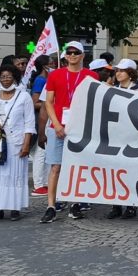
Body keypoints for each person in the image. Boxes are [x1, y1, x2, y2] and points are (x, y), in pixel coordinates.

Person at [40, 41, 99, 224]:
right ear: (65, 56)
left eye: (76, 52)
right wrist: (56, 125)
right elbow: (48, 102)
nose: (72, 55)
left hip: (79, 129)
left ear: (83, 55)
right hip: (57, 126)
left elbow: (95, 102)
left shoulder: (91, 76)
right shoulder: (55, 75)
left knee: (77, 168)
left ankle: (75, 203)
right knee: (55, 167)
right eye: (69, 52)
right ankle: (51, 205)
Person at [0, 64, 35, 221]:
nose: (6, 80)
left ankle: (14, 208)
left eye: (9, 76)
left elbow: (29, 123)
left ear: (15, 77)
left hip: (16, 143)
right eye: (3, 77)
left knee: (14, 175)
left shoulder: (24, 96)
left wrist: (26, 145)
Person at [106, 59, 138, 220]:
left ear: (130, 73)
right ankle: (116, 205)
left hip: (133, 136)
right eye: (117, 71)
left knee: (131, 170)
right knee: (115, 170)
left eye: (122, 71)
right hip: (115, 135)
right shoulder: (112, 89)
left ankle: (131, 205)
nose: (118, 73)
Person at [28, 55, 51, 197]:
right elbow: (34, 101)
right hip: (40, 120)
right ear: (44, 66)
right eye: (51, 63)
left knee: (45, 152)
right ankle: (38, 185)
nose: (54, 65)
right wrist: (49, 103)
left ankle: (43, 183)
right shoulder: (40, 80)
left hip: (47, 118)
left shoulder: (45, 79)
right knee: (40, 153)